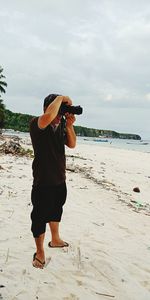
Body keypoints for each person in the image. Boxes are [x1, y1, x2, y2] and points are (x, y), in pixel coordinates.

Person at [29, 94, 76, 269]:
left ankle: (55, 239)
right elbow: (49, 116)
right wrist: (62, 97)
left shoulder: (61, 125)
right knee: (39, 218)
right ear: (47, 108)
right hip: (43, 182)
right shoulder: (37, 124)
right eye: (58, 110)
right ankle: (40, 252)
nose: (59, 114)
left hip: (59, 180)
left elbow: (72, 144)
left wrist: (69, 125)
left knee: (57, 210)